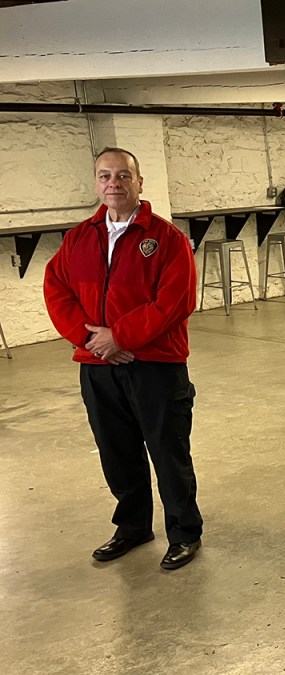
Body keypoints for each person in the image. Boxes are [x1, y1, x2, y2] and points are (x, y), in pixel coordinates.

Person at [44, 147, 203, 570]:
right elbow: (56, 288)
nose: (113, 183)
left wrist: (121, 337)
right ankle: (132, 527)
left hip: (155, 365)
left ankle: (185, 533)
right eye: (104, 175)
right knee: (116, 452)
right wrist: (89, 339)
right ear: (96, 183)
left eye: (122, 176)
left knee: (168, 452)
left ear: (139, 182)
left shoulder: (166, 239)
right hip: (98, 368)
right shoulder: (79, 237)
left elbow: (176, 301)